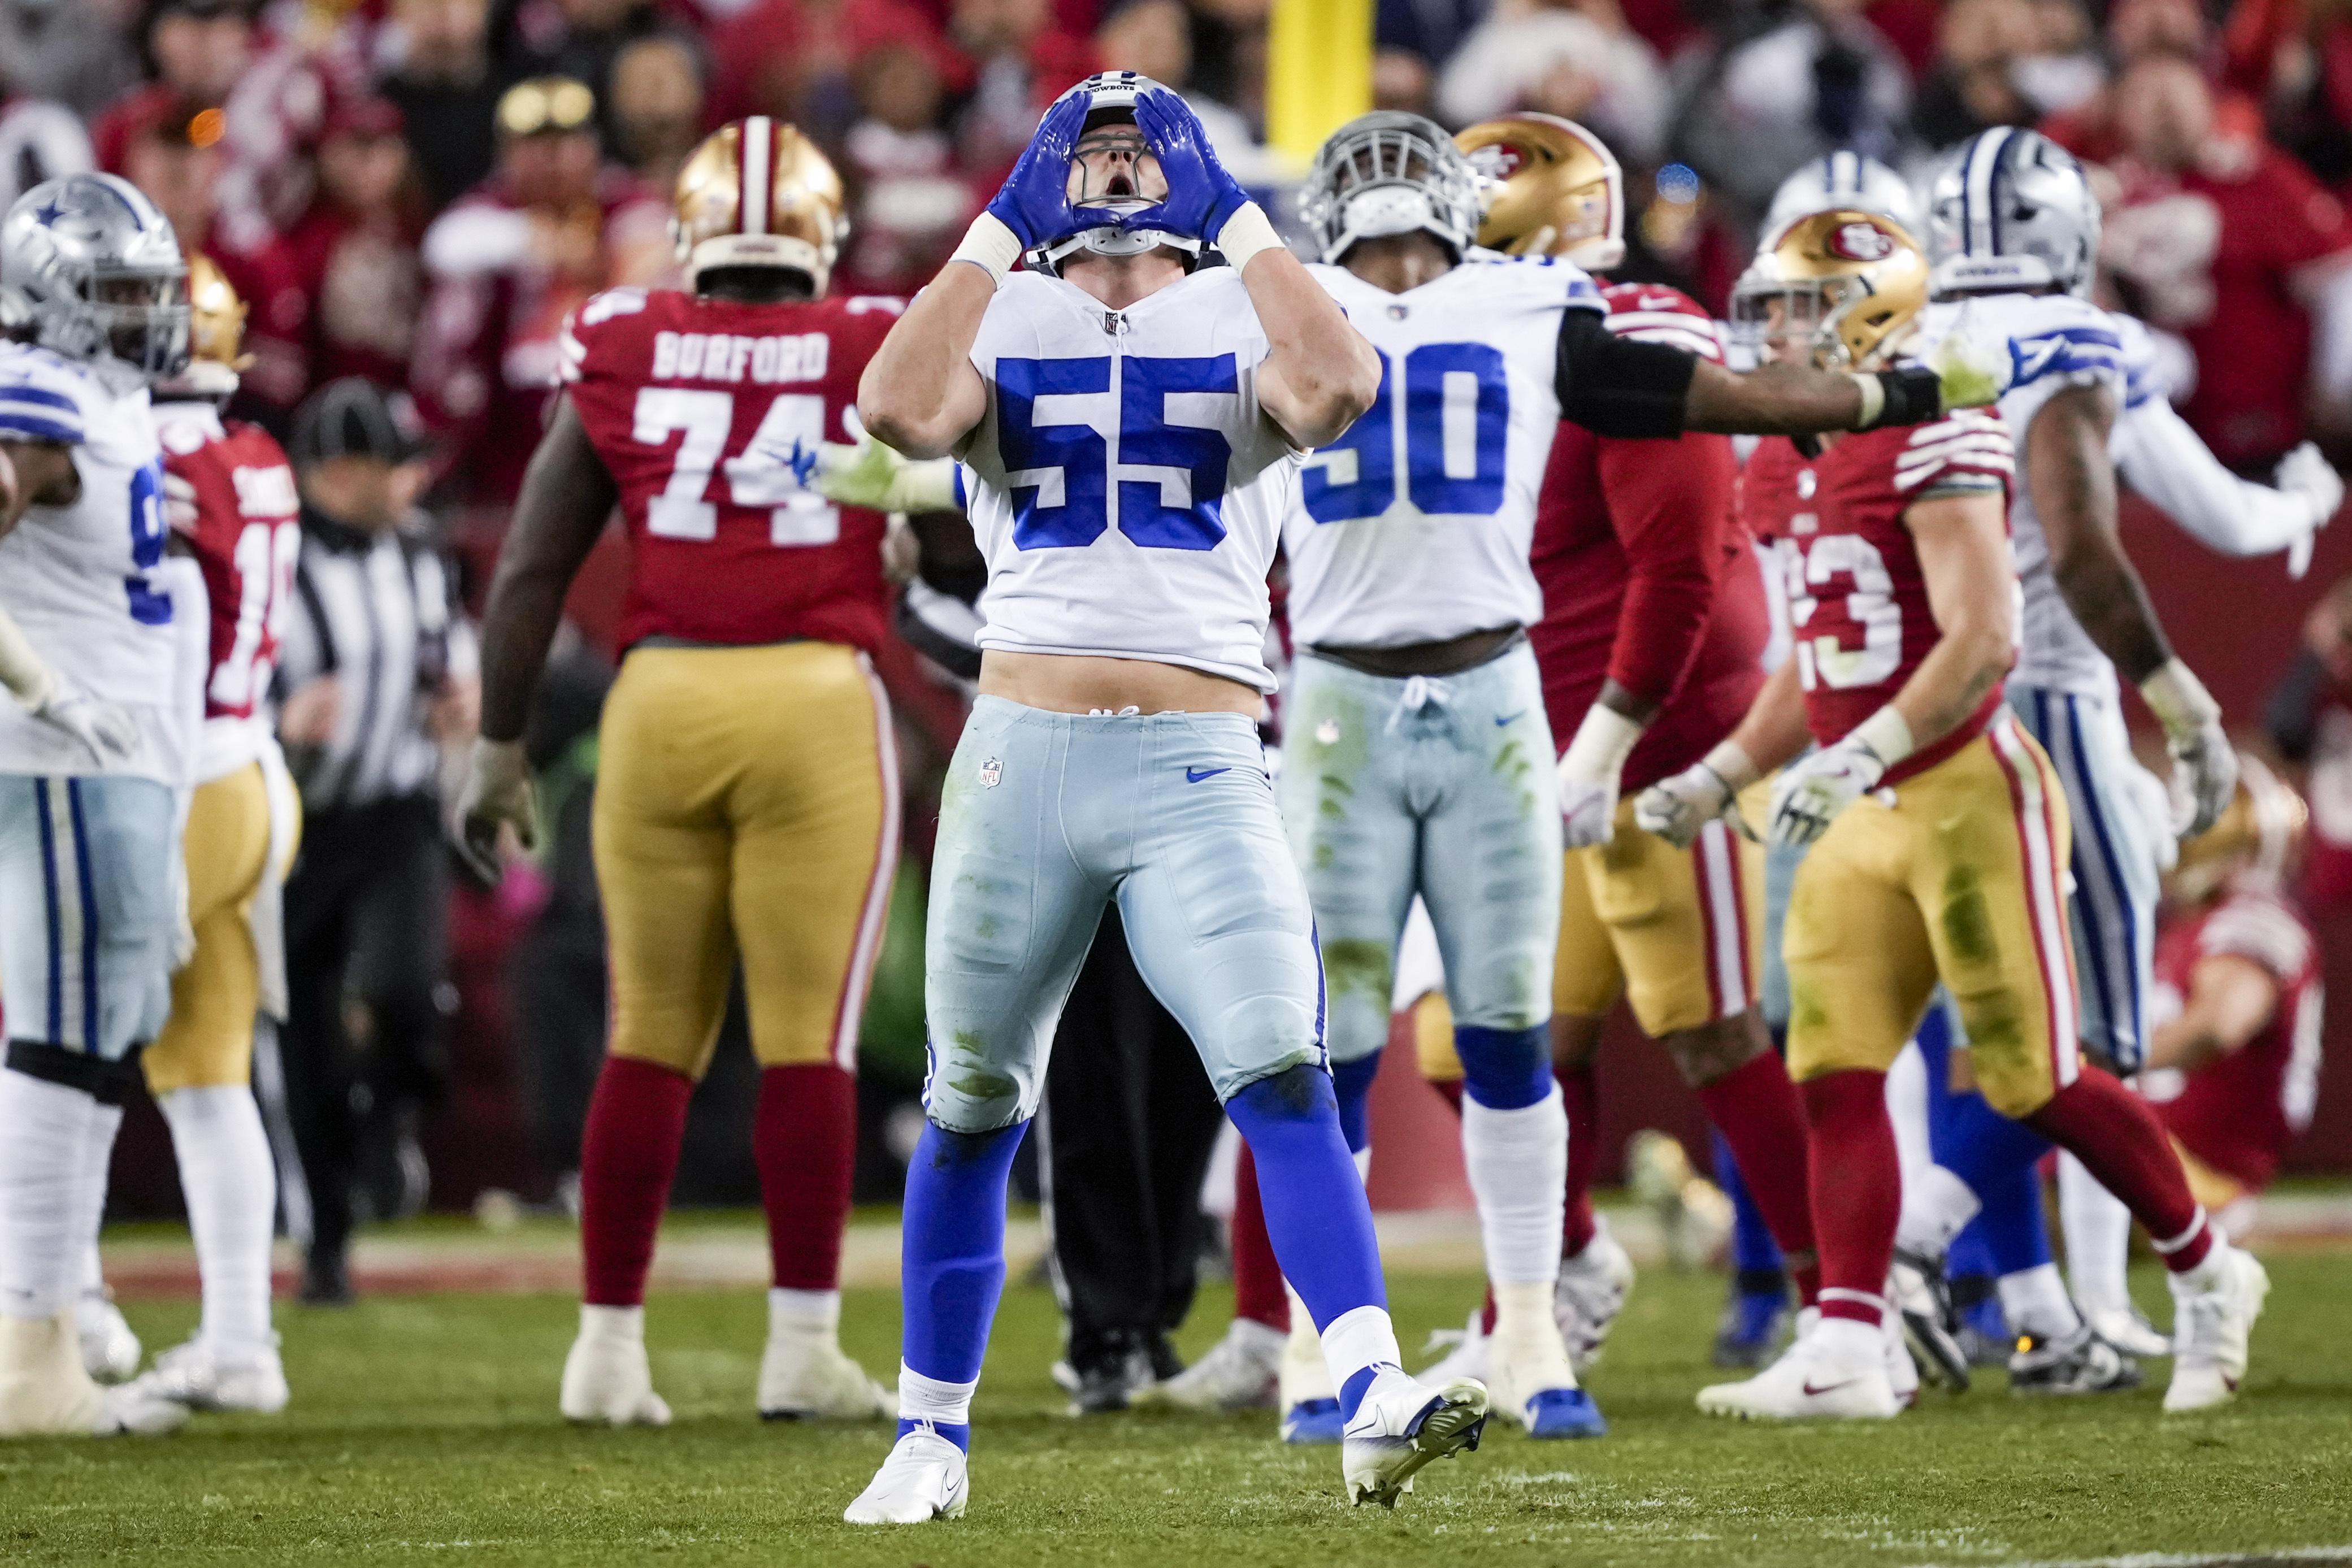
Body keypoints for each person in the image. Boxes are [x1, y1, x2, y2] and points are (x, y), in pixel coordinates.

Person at [1229, 106, 1999, 1452]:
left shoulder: (1550, 312)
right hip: (1378, 702)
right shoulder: (1293, 314)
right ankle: (1398, 1324)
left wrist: (1897, 397)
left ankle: (1824, 1308)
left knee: (1583, 1029)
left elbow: (1692, 499)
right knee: (1386, 1039)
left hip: (1548, 712)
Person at [834, 71, 1486, 1522]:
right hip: (1021, 751)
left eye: (1144, 150)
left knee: (1278, 1061)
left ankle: (1369, 1387)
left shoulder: (1257, 297)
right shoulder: (999, 303)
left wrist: (1236, 215)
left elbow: (1337, 388)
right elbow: (892, 407)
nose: (1118, 173)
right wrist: (1002, 219)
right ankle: (927, 1433)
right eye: (1094, 149)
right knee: (968, 1099)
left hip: (1200, 760)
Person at [1638, 209, 2268, 1420]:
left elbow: (1985, 639)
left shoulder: (1931, 426)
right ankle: (1846, 1345)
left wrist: (1864, 742)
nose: (1771, 328)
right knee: (1831, 1071)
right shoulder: (1782, 456)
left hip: (1964, 793)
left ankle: (2206, 1270)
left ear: (1870, 307)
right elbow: (1814, 661)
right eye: (1764, 305)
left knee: (2032, 1076)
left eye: (1796, 304)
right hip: (1854, 801)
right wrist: (1722, 772)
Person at [458, 118, 905, 1428]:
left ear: (694, 235)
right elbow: (953, 541)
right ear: (818, 237)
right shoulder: (871, 336)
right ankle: (801, 1346)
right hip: (812, 697)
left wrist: (498, 744)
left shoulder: (625, 339)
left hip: (659, 702)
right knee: (804, 1043)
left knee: (646, 1032)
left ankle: (604, 1351)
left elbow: (535, 563)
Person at [1882, 127, 2340, 1377]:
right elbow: (2209, 517)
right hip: (2049, 694)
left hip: (1914, 711)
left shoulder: (1899, 338)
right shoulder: (2081, 341)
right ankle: (1916, 1250)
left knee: (1974, 1028)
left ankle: (2063, 1306)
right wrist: (2300, 500)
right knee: (2094, 1037)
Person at [0, 171, 193, 1437]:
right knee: (65, 1040)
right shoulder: (44, 395)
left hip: (116, 758)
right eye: (117, 295)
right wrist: (38, 679)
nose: (144, 318)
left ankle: (48, 1327)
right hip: (63, 758)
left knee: (94, 1037)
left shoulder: (108, 395)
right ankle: (30, 1357)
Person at [112, 254, 300, 1413]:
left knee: (60, 1054)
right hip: (251, 776)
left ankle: (53, 1316)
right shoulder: (257, 453)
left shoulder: (154, 461)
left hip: (174, 783)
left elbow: (172, 620)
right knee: (205, 1071)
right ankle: (241, 1340)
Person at [274, 376, 477, 1306]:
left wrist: (461, 708)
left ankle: (388, 1123)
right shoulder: (269, 557)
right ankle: (327, 1239)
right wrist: (277, 720)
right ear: (343, 470)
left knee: (405, 992)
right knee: (307, 1035)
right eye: (396, 465)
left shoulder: (423, 555)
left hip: (395, 810)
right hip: (294, 822)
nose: (414, 481)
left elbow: (452, 663)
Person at [2135, 760, 2324, 1241]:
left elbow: (2217, 1026)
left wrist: (2092, 1065)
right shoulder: (2194, 924)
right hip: (2158, 1154)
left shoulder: (2251, 920)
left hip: (2193, 1173)